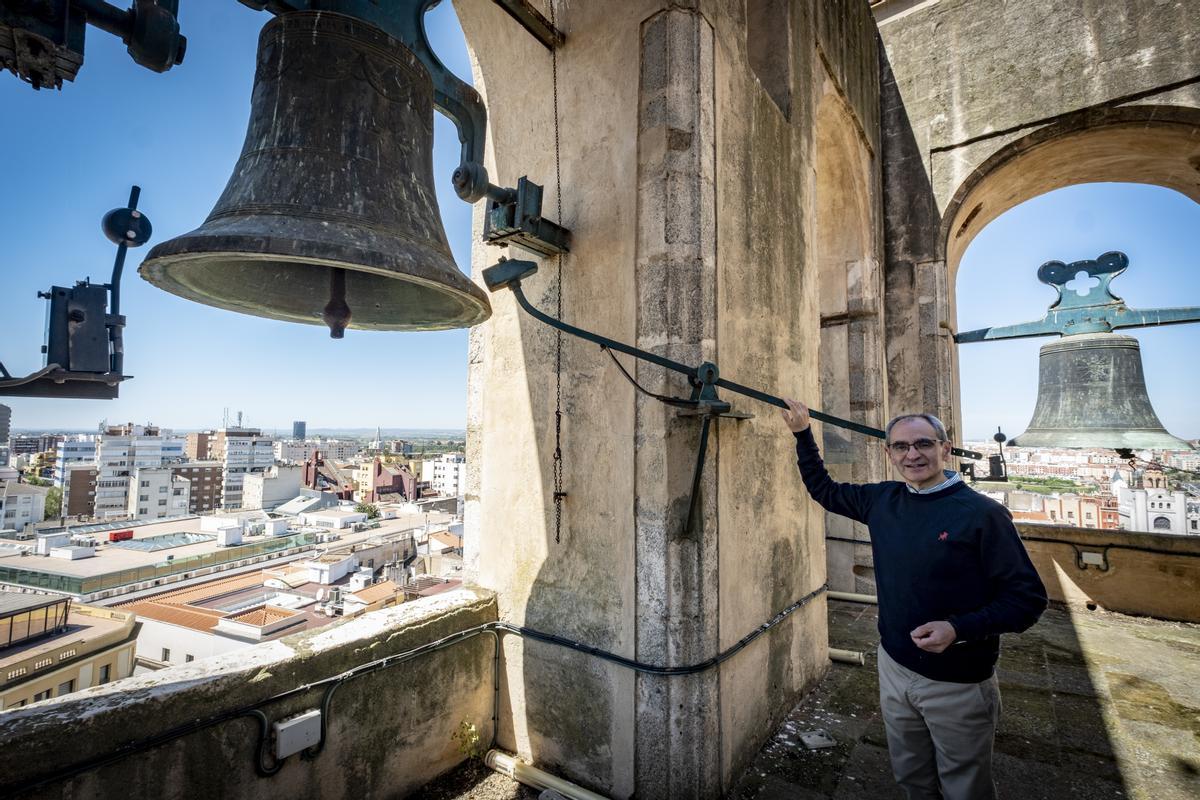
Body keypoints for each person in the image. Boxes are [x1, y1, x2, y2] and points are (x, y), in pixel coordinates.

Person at [780, 399, 1047, 800]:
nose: (913, 454)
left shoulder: (981, 514)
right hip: (894, 665)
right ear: (889, 454)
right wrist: (803, 434)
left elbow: (1027, 600)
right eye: (901, 447)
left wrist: (957, 629)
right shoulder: (883, 500)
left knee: (965, 789)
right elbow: (824, 490)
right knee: (912, 779)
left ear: (946, 447)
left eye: (923, 443)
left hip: (957, 680)